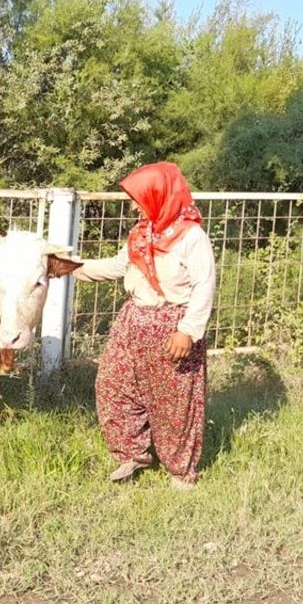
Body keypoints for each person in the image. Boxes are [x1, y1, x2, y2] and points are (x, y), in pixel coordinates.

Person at [72, 162, 216, 490]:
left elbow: (205, 285)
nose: (133, 205)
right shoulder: (142, 233)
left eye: (138, 197)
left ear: (158, 196)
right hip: (133, 321)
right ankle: (131, 454)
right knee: (113, 384)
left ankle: (181, 472)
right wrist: (72, 267)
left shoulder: (191, 237)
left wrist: (188, 331)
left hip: (172, 327)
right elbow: (117, 266)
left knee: (174, 403)